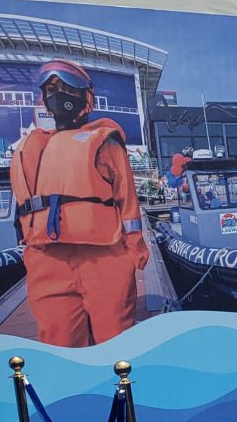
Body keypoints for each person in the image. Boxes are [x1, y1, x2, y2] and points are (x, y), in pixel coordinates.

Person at [11, 59, 149, 348]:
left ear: (87, 98)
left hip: (104, 256)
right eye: (52, 90)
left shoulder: (105, 142)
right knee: (60, 345)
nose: (59, 95)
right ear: (44, 98)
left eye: (68, 88)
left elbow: (127, 202)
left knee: (115, 343)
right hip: (46, 260)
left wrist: (134, 250)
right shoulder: (28, 147)